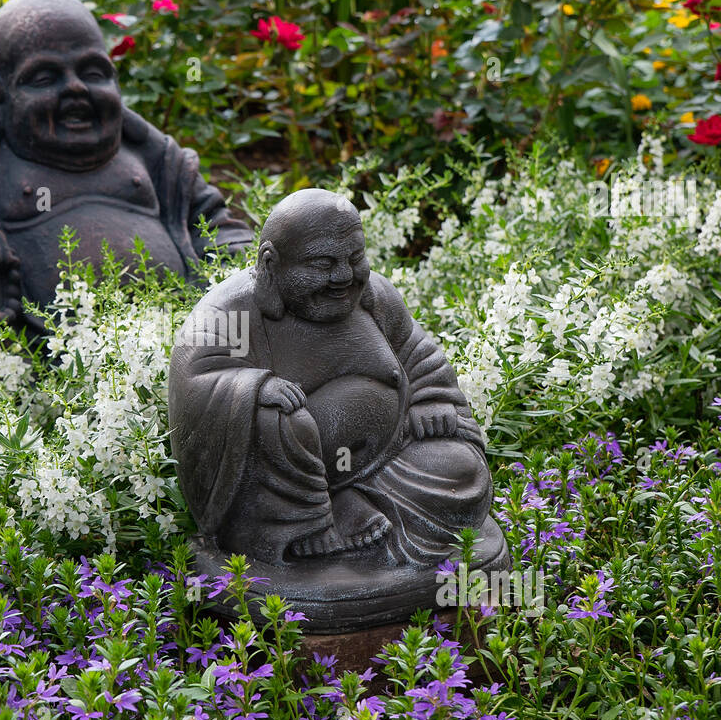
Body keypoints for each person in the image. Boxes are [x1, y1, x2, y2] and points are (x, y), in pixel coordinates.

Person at [0, 0, 254, 343]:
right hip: (34, 348)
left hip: (176, 341)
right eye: (45, 77)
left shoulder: (151, 154)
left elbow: (213, 222)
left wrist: (243, 266)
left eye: (93, 73)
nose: (76, 88)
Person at [168, 188, 494, 567]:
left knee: (462, 473)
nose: (343, 276)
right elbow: (197, 380)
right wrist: (256, 388)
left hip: (386, 461)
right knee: (274, 418)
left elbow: (418, 353)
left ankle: (357, 505)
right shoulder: (234, 312)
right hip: (292, 479)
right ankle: (311, 523)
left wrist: (430, 401)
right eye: (321, 264)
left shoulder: (373, 297)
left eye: (355, 258)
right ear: (272, 264)